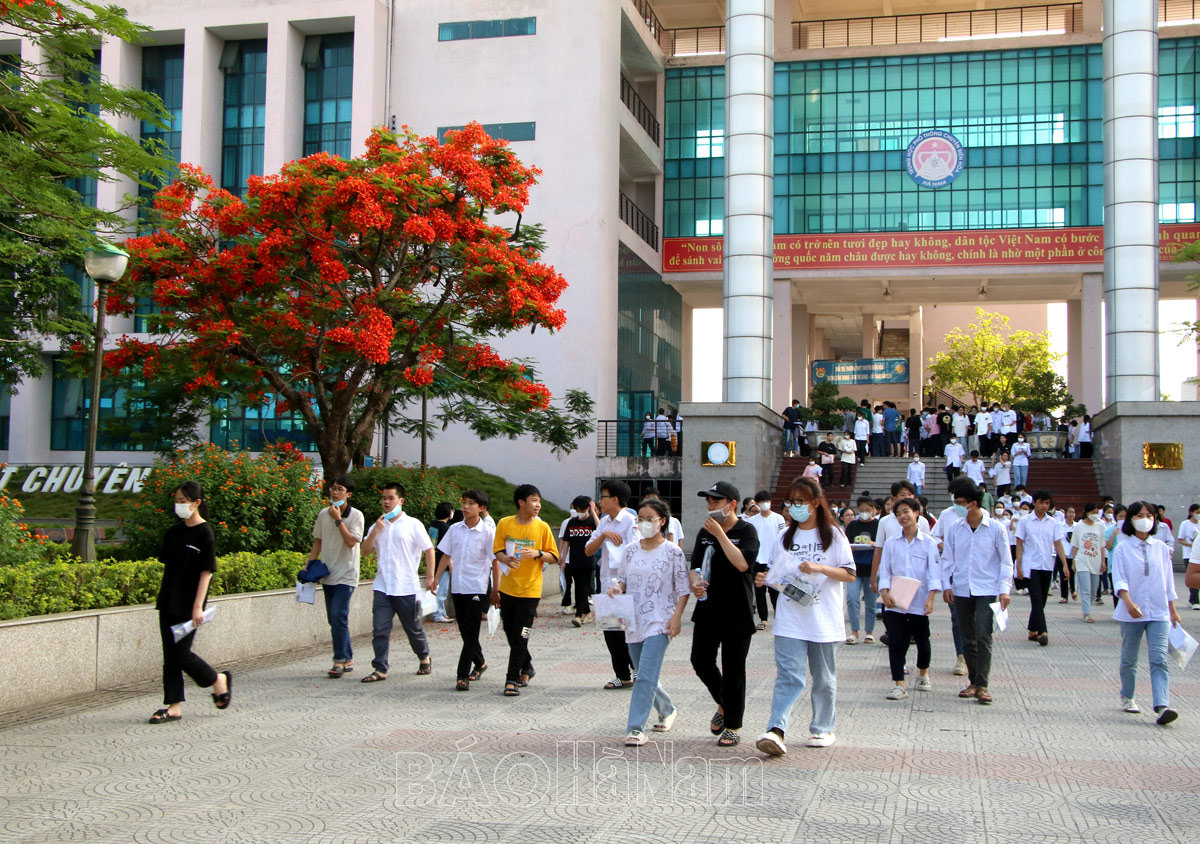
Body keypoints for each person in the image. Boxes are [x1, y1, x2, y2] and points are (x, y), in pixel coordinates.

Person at [753, 477, 854, 755]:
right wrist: (766, 578)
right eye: (791, 502)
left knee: (823, 677)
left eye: (800, 502)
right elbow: (777, 574)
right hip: (790, 618)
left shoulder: (833, 535)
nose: (794, 507)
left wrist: (820, 568)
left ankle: (823, 728)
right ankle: (776, 729)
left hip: (823, 619)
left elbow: (849, 573)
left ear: (816, 503)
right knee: (788, 676)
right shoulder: (785, 536)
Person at [149, 481, 231, 723]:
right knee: (170, 656)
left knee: (182, 654)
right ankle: (173, 706)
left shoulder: (205, 532)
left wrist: (198, 606)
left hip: (189, 602)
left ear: (197, 503)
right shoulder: (173, 532)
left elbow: (206, 572)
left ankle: (217, 679)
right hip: (168, 599)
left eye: (183, 502)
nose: (179, 506)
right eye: (176, 501)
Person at [612, 498, 691, 746]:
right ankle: (667, 709)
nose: (644, 524)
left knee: (644, 675)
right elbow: (622, 579)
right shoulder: (631, 550)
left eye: (650, 519)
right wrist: (616, 589)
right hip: (633, 620)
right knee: (644, 673)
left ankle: (635, 728)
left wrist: (677, 617)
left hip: (660, 621)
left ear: (662, 522)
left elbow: (683, 588)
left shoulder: (673, 552)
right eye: (641, 519)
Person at [690, 480, 759, 747]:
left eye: (716, 502)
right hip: (708, 608)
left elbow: (743, 564)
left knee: (733, 669)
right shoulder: (704, 532)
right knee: (700, 661)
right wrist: (694, 584)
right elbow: (695, 566)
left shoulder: (747, 531)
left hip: (737, 610)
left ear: (732, 504)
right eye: (708, 501)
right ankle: (723, 703)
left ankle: (732, 724)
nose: (710, 506)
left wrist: (721, 535)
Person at [942, 477, 1013, 705]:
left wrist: (1004, 589)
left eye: (960, 502)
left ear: (973, 503)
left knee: (984, 635)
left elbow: (1005, 561)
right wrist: (946, 585)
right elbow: (947, 559)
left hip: (987, 587)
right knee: (967, 636)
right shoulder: (955, 528)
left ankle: (983, 684)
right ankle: (973, 682)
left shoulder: (996, 529)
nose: (957, 506)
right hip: (962, 588)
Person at [1111, 502, 1181, 725]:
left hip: (1159, 612)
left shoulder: (1160, 547)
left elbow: (1168, 581)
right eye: (1140, 515)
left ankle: (1162, 705)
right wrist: (1128, 601)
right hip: (1132, 611)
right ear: (1131, 519)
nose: (1145, 519)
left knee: (1159, 659)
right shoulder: (1123, 548)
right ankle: (1128, 695)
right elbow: (1119, 578)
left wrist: (1173, 611)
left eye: (1149, 515)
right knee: (1129, 659)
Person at [360, 482, 434, 683]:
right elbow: (364, 551)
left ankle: (424, 655)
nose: (386, 502)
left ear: (401, 501)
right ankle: (380, 668)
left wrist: (430, 576)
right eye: (384, 498)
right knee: (380, 630)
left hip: (406, 586)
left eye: (391, 498)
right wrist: (375, 530)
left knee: (413, 628)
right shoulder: (377, 525)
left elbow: (429, 549)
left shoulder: (413, 524)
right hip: (383, 586)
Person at [492, 483, 560, 697]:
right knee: (511, 633)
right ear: (521, 502)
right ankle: (527, 666)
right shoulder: (505, 523)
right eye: (534, 500)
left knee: (521, 635)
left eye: (539, 500)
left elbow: (555, 556)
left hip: (530, 591)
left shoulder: (542, 528)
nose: (538, 504)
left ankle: (511, 679)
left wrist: (538, 553)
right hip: (508, 588)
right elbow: (498, 551)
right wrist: (506, 558)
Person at [428, 489, 496, 691]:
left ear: (481, 508)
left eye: (471, 503)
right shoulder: (454, 529)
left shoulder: (488, 532)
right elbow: (446, 554)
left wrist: (497, 589)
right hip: (458, 585)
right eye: (464, 503)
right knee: (464, 630)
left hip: (477, 586)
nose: (465, 507)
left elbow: (495, 562)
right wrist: (436, 577)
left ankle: (462, 675)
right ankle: (481, 662)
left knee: (472, 630)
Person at [878, 497, 942, 700]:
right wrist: (884, 591)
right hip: (895, 600)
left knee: (923, 640)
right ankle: (898, 684)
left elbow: (933, 573)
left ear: (917, 512)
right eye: (898, 514)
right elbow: (885, 570)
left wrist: (931, 598)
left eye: (906, 511)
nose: (902, 517)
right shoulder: (891, 543)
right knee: (897, 642)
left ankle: (923, 672)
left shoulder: (928, 543)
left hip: (919, 600)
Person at [306, 475, 365, 678]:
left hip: (346, 574)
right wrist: (309, 565)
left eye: (339, 489)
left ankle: (338, 660)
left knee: (339, 615)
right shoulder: (324, 514)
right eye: (333, 488)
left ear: (348, 494)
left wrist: (338, 520)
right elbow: (319, 541)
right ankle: (348, 657)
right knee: (335, 619)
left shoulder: (356, 516)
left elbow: (351, 542)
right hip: (327, 573)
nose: (334, 492)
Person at [586, 480, 637, 689]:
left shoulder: (630, 521)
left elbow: (635, 551)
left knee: (628, 632)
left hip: (626, 585)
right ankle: (622, 675)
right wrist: (604, 534)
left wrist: (624, 582)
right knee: (611, 631)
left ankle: (638, 671)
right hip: (607, 582)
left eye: (603, 496)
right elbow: (589, 550)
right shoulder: (605, 522)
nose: (600, 501)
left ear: (614, 499)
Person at [1015, 491, 1069, 647]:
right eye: (1041, 503)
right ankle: (1043, 631)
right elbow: (1019, 543)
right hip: (1031, 565)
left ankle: (1032, 629)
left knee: (1042, 599)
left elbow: (1058, 543)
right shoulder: (1025, 521)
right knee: (1036, 598)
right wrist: (1018, 564)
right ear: (1034, 502)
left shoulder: (1052, 523)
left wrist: (1064, 564)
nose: (1044, 506)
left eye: (1047, 503)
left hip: (1047, 564)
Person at [747, 490, 785, 630]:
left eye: (766, 501)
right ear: (756, 504)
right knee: (759, 591)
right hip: (758, 560)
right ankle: (763, 619)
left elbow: (783, 539)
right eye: (761, 502)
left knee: (775, 590)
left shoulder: (778, 519)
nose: (764, 504)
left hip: (774, 561)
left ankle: (779, 615)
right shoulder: (752, 521)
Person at [844, 497, 879, 645]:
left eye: (868, 510)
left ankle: (869, 631)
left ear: (874, 510)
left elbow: (883, 544)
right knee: (852, 599)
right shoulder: (853, 525)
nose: (865, 513)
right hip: (855, 567)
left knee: (871, 602)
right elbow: (845, 544)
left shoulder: (879, 524)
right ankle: (854, 630)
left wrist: (873, 543)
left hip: (871, 567)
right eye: (862, 510)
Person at [561, 496, 599, 624]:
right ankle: (587, 613)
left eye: (581, 509)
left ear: (587, 509)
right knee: (578, 587)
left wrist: (593, 511)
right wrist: (563, 559)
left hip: (588, 560)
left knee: (584, 588)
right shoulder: (572, 522)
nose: (579, 512)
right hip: (574, 560)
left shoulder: (591, 522)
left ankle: (578, 616)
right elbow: (566, 542)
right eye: (577, 509)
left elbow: (600, 529)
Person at [1071, 503, 1107, 623]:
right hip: (1082, 560)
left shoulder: (1100, 526)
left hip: (1095, 560)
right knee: (1085, 588)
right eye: (1092, 512)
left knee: (1093, 589)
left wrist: (1103, 561)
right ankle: (1086, 613)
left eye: (1097, 512)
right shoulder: (1079, 526)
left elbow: (1101, 545)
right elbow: (1075, 545)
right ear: (1086, 512)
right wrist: (1073, 562)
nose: (1095, 515)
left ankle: (1088, 608)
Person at [428, 501, 454, 623]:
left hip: (433, 561)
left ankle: (439, 613)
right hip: (442, 564)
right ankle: (439, 614)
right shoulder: (446, 528)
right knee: (441, 591)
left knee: (436, 590)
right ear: (449, 513)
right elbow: (447, 550)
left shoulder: (433, 525)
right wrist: (450, 566)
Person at [1180, 503, 1200, 610]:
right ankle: (1195, 601)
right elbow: (1191, 578)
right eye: (1197, 512)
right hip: (1189, 554)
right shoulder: (1185, 524)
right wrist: (1191, 545)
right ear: (1191, 512)